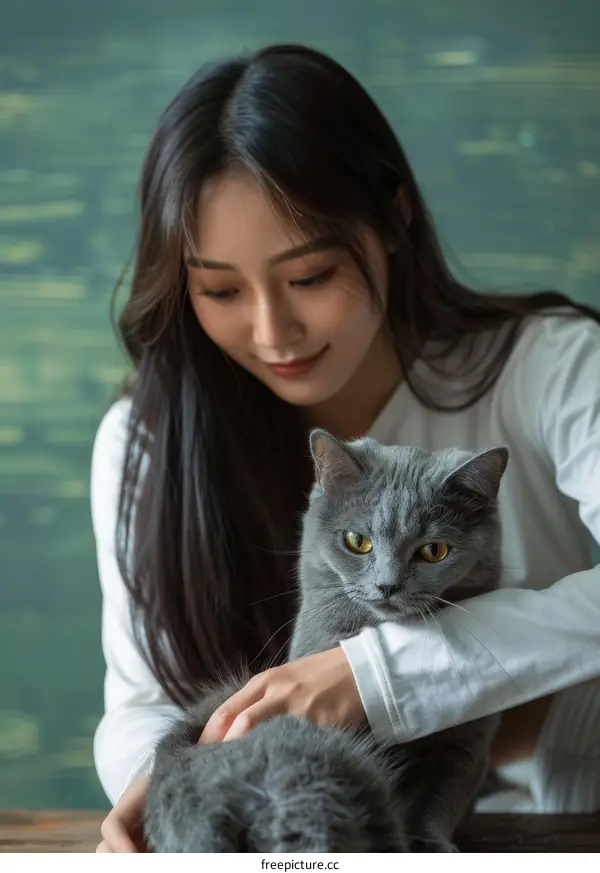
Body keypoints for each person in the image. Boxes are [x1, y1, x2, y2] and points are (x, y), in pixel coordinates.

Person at [91, 43, 600, 852]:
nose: (270, 331)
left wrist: (377, 678)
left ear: (394, 217)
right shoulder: (147, 439)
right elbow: (143, 699)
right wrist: (164, 783)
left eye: (310, 275)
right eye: (220, 289)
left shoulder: (554, 367)